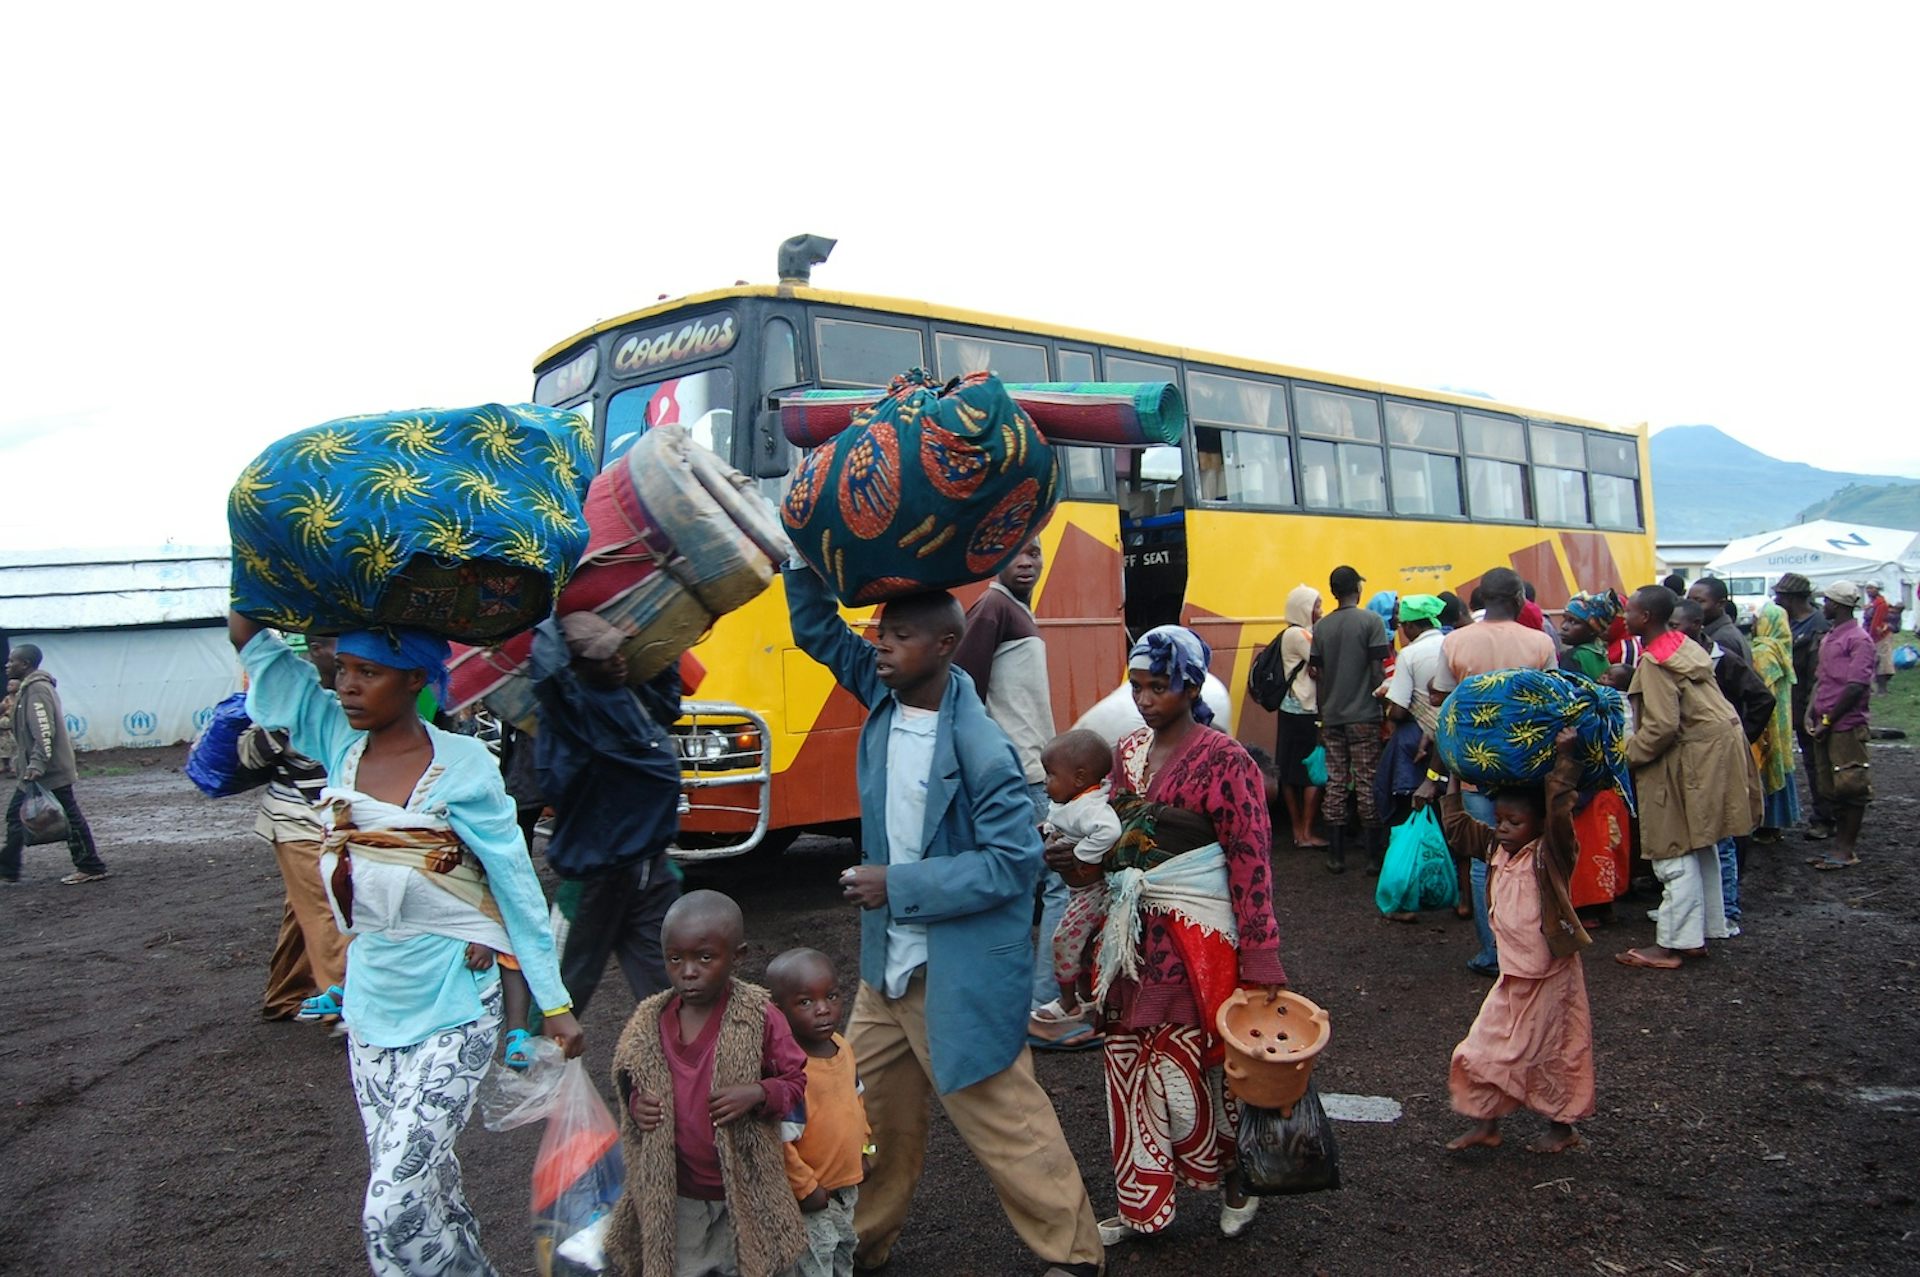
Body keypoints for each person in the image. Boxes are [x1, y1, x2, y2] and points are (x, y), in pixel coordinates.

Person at [229, 614, 584, 1273]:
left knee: (389, 1206)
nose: (347, 686)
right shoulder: (338, 741)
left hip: (455, 1006)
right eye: (342, 671)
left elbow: (514, 882)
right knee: (433, 1188)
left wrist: (554, 1000)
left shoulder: (465, 765)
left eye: (369, 672)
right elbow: (250, 637)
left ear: (415, 680)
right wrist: (263, 579)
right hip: (370, 1010)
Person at [783, 561, 1104, 1277]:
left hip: (952, 973)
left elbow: (1013, 862)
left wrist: (898, 883)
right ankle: (860, 1246)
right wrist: (799, 557)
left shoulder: (980, 746)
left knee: (1004, 1116)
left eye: (898, 636)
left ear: (944, 646)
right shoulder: (883, 692)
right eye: (879, 633)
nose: (880, 646)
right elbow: (815, 628)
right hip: (886, 973)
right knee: (867, 1116)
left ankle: (1074, 1254)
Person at [1051, 625, 1285, 1247]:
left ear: (1189, 686)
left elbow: (1250, 858)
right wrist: (1075, 862)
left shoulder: (1226, 759)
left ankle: (1236, 1179)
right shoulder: (1124, 754)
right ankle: (1142, 1202)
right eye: (1137, 686)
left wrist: (1261, 957)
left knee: (1210, 1063)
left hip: (1198, 938)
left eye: (1160, 686)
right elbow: (1112, 845)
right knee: (1128, 1065)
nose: (1146, 698)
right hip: (1129, 940)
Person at [606, 891, 809, 1277]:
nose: (688, 971)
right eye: (675, 958)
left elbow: (795, 1080)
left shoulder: (757, 1017)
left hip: (746, 1191)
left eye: (704, 958)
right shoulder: (650, 1020)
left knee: (757, 1263)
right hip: (679, 1195)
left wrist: (758, 1093)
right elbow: (627, 1075)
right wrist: (637, 1105)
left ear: (737, 956)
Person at [951, 538, 1077, 1048]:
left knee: (1027, 891)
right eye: (1016, 552)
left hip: (1030, 772)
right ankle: (1042, 1005)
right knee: (1058, 886)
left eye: (1036, 551)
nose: (1027, 560)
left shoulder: (1010, 609)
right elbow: (964, 692)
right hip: (1022, 777)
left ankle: (1020, 1004)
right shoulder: (993, 607)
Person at [1442, 729, 1593, 1154]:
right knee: (1481, 1046)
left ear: (1540, 824)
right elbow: (1456, 828)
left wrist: (1565, 761)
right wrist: (1453, 775)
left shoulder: (1550, 854)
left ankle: (1563, 1129)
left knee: (1558, 1049)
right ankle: (1486, 1123)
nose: (1504, 829)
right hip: (1512, 977)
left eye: (1515, 822)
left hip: (1552, 976)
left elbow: (1561, 811)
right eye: (1500, 820)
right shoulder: (1494, 848)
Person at [533, 611, 684, 1017]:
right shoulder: (573, 712)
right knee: (560, 993)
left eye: (617, 648)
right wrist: (549, 607)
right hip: (593, 876)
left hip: (651, 871)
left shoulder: (633, 694)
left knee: (669, 988)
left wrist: (667, 645)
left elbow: (670, 703)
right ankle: (534, 1070)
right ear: (577, 667)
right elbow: (547, 673)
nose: (616, 659)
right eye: (602, 655)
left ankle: (680, 1072)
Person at [1615, 587, 1758, 970]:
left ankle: (1673, 944)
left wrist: (1625, 754)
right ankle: (1701, 931)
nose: (1624, 617)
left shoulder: (1655, 663)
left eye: (1629, 611)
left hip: (1693, 758)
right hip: (1717, 750)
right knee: (1701, 842)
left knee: (1673, 846)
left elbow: (1661, 727)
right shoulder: (1684, 645)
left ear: (1646, 618)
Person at [1432, 568, 1556, 976]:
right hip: (1527, 768)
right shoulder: (1540, 641)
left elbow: (1443, 702)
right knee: (1533, 855)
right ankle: (1533, 945)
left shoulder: (1455, 641)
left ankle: (1492, 952)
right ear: (1520, 599)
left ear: (1481, 598)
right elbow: (1554, 701)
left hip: (1474, 768)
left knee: (1488, 857)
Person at [234, 635, 349, 1023]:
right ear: (317, 650)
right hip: (298, 819)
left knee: (304, 911)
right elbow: (250, 755)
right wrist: (284, 726)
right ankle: (347, 1010)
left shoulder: (356, 689)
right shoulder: (295, 697)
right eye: (338, 644)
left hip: (332, 818)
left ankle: (283, 995)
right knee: (327, 909)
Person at [766, 947, 871, 1277]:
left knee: (843, 1248)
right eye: (805, 1002)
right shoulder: (791, 1071)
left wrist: (866, 1150)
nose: (824, 1010)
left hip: (843, 1189)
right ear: (779, 1011)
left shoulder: (843, 1047)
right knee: (814, 1261)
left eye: (832, 995)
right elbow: (781, 1140)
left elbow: (857, 1104)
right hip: (812, 1197)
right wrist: (805, 1188)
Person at [1673, 599, 1770, 932]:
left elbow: (1762, 697)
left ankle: (1728, 910)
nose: (1671, 632)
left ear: (1697, 624)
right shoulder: (1676, 658)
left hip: (1719, 756)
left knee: (1723, 833)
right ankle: (1705, 908)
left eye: (1677, 625)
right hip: (1697, 758)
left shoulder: (1721, 658)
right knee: (1701, 834)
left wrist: (1741, 735)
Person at [1033, 729, 1122, 1024]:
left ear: (1080, 778)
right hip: (1077, 890)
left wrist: (1080, 855)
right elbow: (1057, 820)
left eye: (1050, 775)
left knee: (1064, 941)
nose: (1046, 782)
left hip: (1092, 891)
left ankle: (1068, 1002)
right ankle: (1087, 997)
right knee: (1083, 946)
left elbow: (1109, 831)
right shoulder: (1070, 800)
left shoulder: (1090, 808)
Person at [2, 644, 109, 886]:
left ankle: (91, 865)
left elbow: (44, 732)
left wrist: (37, 764)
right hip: (35, 770)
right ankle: (8, 868)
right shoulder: (27, 690)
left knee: (69, 816)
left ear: (26, 664)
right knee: (15, 816)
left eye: (12, 661)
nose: (7, 665)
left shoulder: (37, 690)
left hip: (48, 770)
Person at [1309, 565, 1392, 873]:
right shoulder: (1371, 621)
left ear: (1333, 591)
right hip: (1364, 715)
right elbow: (1377, 672)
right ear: (1357, 588)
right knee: (1368, 781)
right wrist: (1379, 704)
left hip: (1331, 717)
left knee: (1336, 781)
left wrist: (1323, 715)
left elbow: (1318, 675)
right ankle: (1372, 858)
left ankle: (1336, 856)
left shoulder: (1322, 627)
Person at [1806, 581, 1875, 870]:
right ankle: (1838, 848)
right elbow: (1822, 679)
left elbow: (1855, 686)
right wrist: (1811, 711)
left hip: (1845, 724)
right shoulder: (1831, 636)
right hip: (1826, 721)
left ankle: (1846, 850)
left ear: (1839, 604)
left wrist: (1828, 720)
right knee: (1830, 786)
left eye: (1828, 601)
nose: (1824, 605)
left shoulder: (1859, 640)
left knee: (1851, 786)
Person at [1773, 573, 1834, 838]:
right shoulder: (1791, 622)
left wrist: (1812, 711)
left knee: (1818, 763)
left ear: (1792, 598)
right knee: (1812, 763)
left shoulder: (1817, 626)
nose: (1776, 600)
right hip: (1795, 703)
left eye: (1781, 596)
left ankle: (1825, 818)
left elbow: (1816, 673)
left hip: (1810, 704)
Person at [1273, 584, 1327, 849]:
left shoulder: (1291, 634)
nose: (1321, 610)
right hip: (1304, 711)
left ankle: (1298, 831)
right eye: (1317, 605)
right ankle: (1304, 832)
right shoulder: (1299, 635)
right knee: (1311, 771)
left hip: (1289, 710)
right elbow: (1323, 659)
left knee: (1289, 770)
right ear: (1304, 608)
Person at [1746, 601, 1802, 843]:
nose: (1754, 624)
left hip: (1767, 719)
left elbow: (1760, 689)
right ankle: (1776, 824)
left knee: (1767, 764)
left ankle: (1768, 825)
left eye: (1758, 620)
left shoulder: (1763, 652)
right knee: (1779, 761)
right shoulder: (1781, 646)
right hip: (1781, 716)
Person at [1558, 591, 1621, 681]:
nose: (1564, 627)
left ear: (1592, 630)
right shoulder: (1600, 653)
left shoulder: (1573, 657)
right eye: (1565, 619)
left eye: (1574, 622)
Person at [1686, 578, 1750, 664]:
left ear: (1720, 604)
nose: (1691, 607)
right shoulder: (1716, 632)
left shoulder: (1723, 639)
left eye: (1699, 601)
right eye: (1689, 600)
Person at [1865, 579, 1895, 694]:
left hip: (1880, 635)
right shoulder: (1871, 603)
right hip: (1870, 633)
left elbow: (1877, 622)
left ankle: (1882, 689)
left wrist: (1873, 635)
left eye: (1872, 588)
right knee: (1873, 661)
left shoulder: (1881, 603)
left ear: (1877, 589)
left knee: (1882, 661)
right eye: (1867, 588)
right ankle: (1874, 687)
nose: (1869, 590)